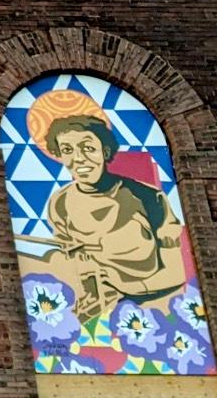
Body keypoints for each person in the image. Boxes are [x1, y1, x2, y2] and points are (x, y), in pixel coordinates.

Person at [40, 114, 188, 321]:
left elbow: (176, 272)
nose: (79, 158)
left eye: (88, 148)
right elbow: (69, 261)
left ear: (105, 151)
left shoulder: (147, 197)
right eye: (67, 150)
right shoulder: (60, 203)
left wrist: (124, 286)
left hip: (151, 309)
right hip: (94, 308)